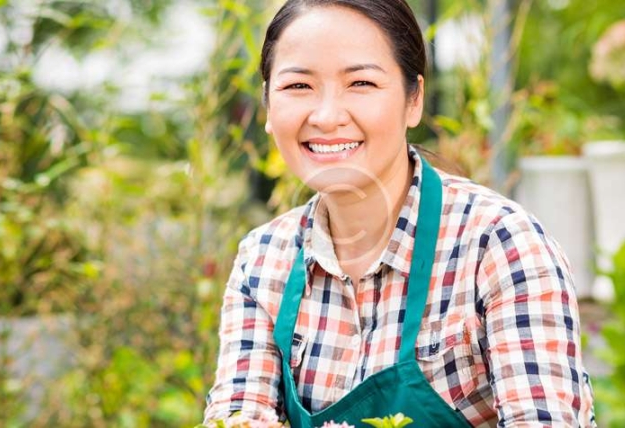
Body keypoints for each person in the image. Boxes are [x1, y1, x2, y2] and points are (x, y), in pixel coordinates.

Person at [204, 0, 597, 426]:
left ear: (414, 101)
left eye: (361, 83)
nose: (327, 116)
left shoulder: (498, 245)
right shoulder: (263, 261)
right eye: (299, 86)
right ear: (267, 105)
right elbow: (237, 416)